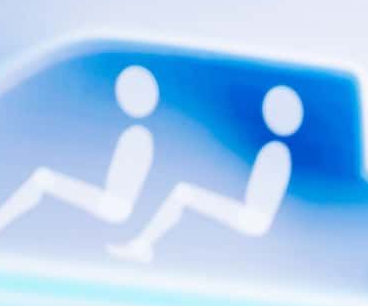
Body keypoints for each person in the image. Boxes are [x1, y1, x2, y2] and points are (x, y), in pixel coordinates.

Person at [0, 65, 161, 245]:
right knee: (44, 180)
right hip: (115, 204)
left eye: (127, 91)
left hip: (114, 206)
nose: (121, 96)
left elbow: (121, 184)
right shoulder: (138, 134)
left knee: (43, 179)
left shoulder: (137, 135)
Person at [107, 83, 302, 262]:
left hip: (253, 219)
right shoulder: (276, 150)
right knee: (184, 194)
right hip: (254, 217)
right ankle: (142, 245)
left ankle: (142, 246)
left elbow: (260, 204)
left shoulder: (275, 151)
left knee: (183, 193)